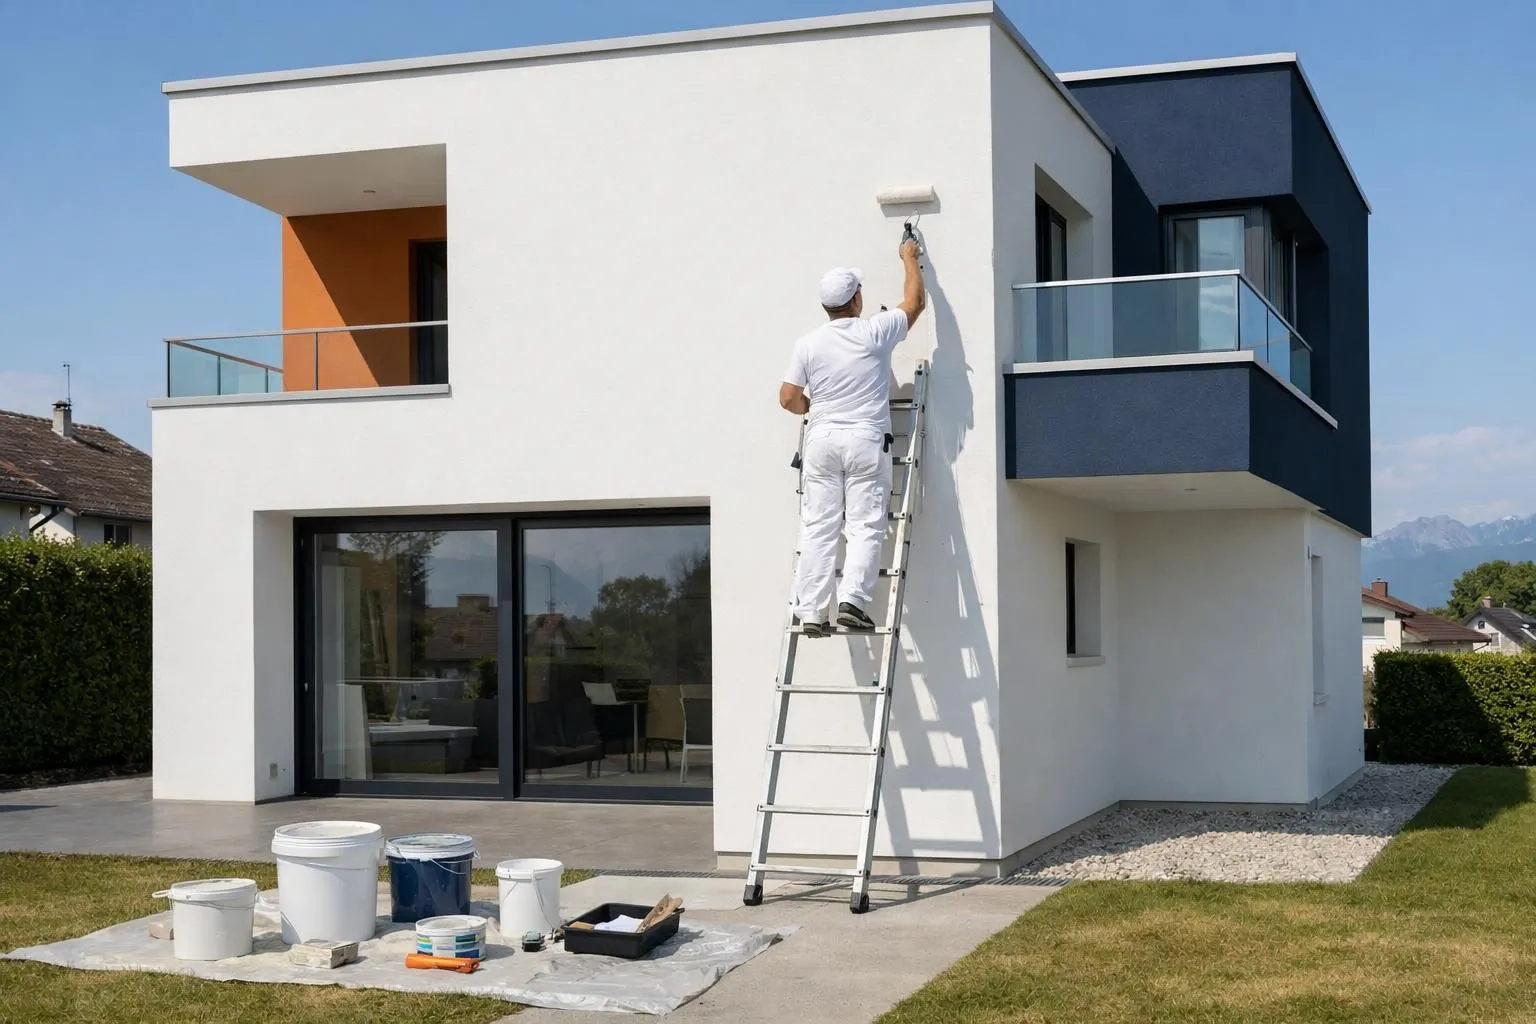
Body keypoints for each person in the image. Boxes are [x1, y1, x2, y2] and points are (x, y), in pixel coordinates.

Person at [779, 236, 926, 635]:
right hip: (863, 440)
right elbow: (914, 304)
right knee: (863, 524)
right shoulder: (873, 331)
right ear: (857, 300)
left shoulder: (808, 343)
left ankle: (811, 611)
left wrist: (814, 408)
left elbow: (788, 397)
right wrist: (909, 258)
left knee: (819, 525)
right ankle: (852, 603)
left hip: (822, 443)